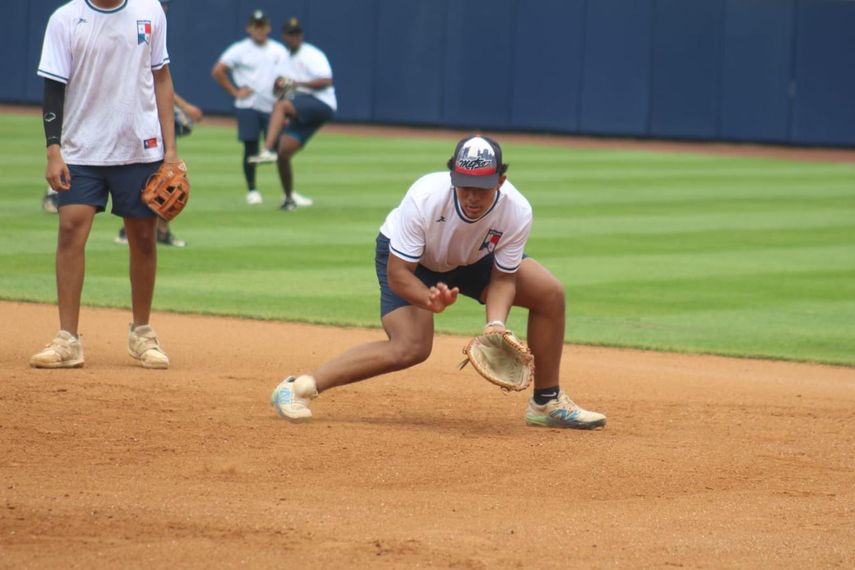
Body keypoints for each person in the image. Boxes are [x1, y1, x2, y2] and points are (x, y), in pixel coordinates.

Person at [271, 135, 606, 429]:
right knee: (411, 347)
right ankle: (300, 387)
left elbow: (504, 277)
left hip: (474, 259)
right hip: (413, 264)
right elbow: (399, 274)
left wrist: (495, 324)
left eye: (483, 188)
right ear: (452, 177)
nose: (473, 196)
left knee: (549, 292)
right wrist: (426, 297)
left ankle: (546, 402)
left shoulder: (516, 210)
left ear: (501, 181)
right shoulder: (425, 198)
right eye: (465, 185)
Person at [30, 0, 179, 370]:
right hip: (82, 148)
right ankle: (67, 339)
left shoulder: (151, 12)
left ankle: (142, 333)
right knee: (69, 231)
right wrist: (53, 148)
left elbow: (162, 78)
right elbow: (53, 88)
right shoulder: (65, 19)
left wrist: (171, 150)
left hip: (140, 147)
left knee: (143, 239)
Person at [114, 0, 201, 248]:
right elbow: (151, 79)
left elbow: (161, 77)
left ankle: (159, 231)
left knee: (163, 175)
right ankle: (129, 229)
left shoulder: (154, 26)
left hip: (150, 113)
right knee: (149, 175)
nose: (162, 9)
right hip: (136, 115)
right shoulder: (132, 25)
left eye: (165, 5)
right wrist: (184, 108)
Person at [212, 10, 309, 207]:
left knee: (280, 149)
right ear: (249, 28)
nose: (259, 30)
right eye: (256, 26)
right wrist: (234, 91)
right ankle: (252, 190)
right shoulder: (239, 49)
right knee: (251, 147)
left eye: (262, 26)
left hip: (273, 107)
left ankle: (287, 192)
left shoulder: (278, 50)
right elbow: (218, 70)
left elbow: (288, 75)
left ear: (268, 28)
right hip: (249, 105)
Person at [247, 17, 336, 211]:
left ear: (301, 35)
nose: (295, 37)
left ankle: (267, 149)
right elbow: (276, 89)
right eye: (291, 34)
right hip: (301, 108)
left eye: (297, 33)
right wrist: (279, 85)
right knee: (284, 152)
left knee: (281, 106)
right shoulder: (284, 60)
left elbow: (327, 81)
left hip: (321, 104)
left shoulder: (312, 54)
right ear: (284, 37)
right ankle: (289, 199)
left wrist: (297, 84)